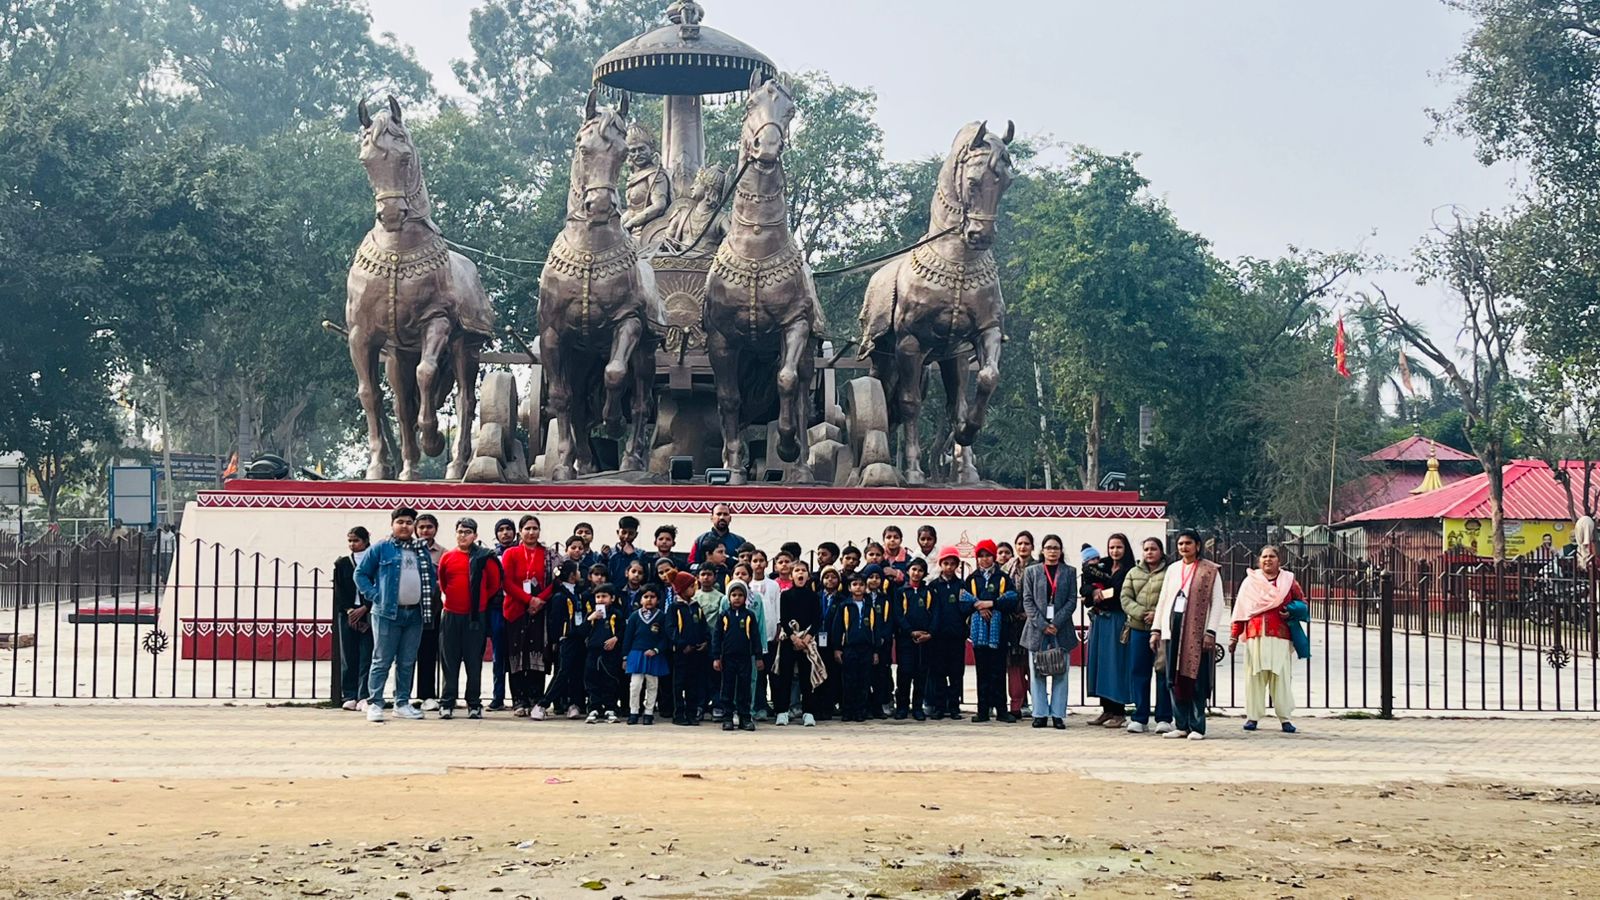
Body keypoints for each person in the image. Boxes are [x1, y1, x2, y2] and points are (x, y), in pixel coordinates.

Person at [355, 507, 436, 723]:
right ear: (392, 525)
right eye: (400, 522)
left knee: (407, 662)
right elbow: (360, 574)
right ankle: (375, 703)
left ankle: (402, 703)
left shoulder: (420, 549)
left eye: (409, 522)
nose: (404, 526)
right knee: (381, 660)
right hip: (387, 613)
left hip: (415, 614)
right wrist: (375, 595)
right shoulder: (381, 548)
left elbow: (431, 576)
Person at [1150, 529, 1225, 741]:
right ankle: (1181, 725)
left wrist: (1210, 631)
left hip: (1196, 634)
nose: (1184, 547)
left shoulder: (1210, 570)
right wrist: (1156, 629)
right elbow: (1163, 599)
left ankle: (1197, 726)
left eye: (1188, 543)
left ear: (1197, 546)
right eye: (1181, 544)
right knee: (1173, 680)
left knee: (1195, 681)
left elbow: (1217, 602)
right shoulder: (1173, 569)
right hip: (1172, 630)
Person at [1230, 545, 1309, 734]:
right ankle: (1253, 717)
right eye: (1264, 556)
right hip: (1255, 635)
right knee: (1254, 677)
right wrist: (1234, 636)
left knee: (1281, 677)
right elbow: (1241, 611)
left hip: (1280, 635)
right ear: (1259, 560)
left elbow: (1303, 604)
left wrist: (1291, 611)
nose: (1268, 559)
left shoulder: (1288, 581)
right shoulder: (1250, 582)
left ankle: (1285, 719)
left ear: (1279, 560)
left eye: (1272, 556)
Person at [436, 518, 502, 720]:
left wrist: (478, 602)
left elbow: (494, 585)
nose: (463, 535)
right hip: (451, 615)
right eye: (460, 532)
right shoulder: (447, 557)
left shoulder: (484, 558)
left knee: (473, 662)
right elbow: (443, 583)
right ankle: (447, 702)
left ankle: (473, 703)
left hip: (475, 617)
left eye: (467, 532)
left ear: (475, 535)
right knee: (449, 661)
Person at [1020, 534, 1078, 729]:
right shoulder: (1031, 571)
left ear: (1061, 551)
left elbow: (1072, 600)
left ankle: (1058, 714)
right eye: (1049, 548)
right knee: (1037, 672)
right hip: (1037, 630)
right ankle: (1040, 713)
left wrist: (1057, 623)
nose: (1052, 551)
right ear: (1042, 550)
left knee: (1061, 672)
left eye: (1056, 548)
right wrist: (1043, 624)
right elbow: (1027, 600)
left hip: (1062, 629)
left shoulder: (1069, 572)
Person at [501, 516, 553, 719]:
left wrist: (539, 600)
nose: (531, 532)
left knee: (537, 655)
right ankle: (518, 700)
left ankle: (536, 699)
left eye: (535, 528)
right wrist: (528, 600)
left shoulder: (548, 554)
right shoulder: (511, 553)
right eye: (527, 528)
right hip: (516, 610)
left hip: (540, 611)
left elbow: (554, 582)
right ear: (520, 532)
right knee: (516, 655)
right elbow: (506, 581)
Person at [1082, 536, 1135, 729]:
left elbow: (1119, 593)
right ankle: (1107, 709)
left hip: (1116, 619)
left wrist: (1100, 595)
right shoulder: (1101, 565)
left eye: (1119, 547)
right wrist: (1092, 592)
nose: (1115, 551)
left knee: (1115, 664)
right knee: (1100, 664)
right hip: (1100, 620)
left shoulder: (1129, 569)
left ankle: (1119, 712)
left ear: (1125, 548)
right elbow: (1084, 585)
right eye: (1111, 547)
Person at [1120, 537, 1172, 734]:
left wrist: (1157, 615)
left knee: (1163, 672)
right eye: (1146, 549)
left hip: (1163, 630)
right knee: (1139, 673)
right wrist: (1142, 613)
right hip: (1138, 629)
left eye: (1153, 549)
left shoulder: (1170, 572)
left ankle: (1164, 717)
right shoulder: (1133, 573)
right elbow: (1125, 598)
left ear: (1161, 551)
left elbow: (1173, 597)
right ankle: (1139, 717)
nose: (1149, 552)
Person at [965, 540, 1018, 723]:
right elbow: (964, 601)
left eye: (988, 555)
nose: (984, 559)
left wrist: (992, 604)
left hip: (999, 631)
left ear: (994, 557)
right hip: (979, 632)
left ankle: (1002, 710)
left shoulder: (1002, 578)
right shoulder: (972, 579)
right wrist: (979, 607)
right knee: (982, 671)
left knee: (998, 671)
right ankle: (983, 710)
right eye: (981, 556)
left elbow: (1012, 599)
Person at [773, 560, 822, 726]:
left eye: (803, 570)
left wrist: (807, 639)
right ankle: (782, 712)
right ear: (791, 575)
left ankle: (808, 712)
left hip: (807, 642)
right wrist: (794, 638)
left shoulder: (813, 596)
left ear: (808, 575)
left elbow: (817, 620)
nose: (800, 573)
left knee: (806, 678)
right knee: (785, 677)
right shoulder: (785, 595)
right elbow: (784, 619)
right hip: (789, 641)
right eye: (797, 571)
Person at [927, 546, 974, 719]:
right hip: (938, 637)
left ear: (957, 565)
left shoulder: (962, 585)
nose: (949, 567)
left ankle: (954, 707)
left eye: (952, 564)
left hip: (956, 636)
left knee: (956, 673)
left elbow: (967, 608)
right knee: (938, 672)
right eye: (945, 563)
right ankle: (939, 707)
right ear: (940, 564)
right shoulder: (933, 586)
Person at [541, 561, 592, 719]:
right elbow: (555, 621)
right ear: (571, 575)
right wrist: (556, 639)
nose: (580, 574)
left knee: (577, 672)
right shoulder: (559, 595)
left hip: (579, 637)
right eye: (577, 571)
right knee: (563, 672)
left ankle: (574, 704)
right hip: (567, 638)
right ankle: (543, 703)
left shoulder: (579, 592)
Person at [712, 580, 764, 731]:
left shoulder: (749, 616)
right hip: (727, 658)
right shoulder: (724, 616)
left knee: (744, 688)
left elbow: (755, 637)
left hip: (745, 659)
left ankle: (745, 717)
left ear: (745, 598)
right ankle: (728, 717)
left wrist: (758, 657)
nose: (737, 598)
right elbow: (717, 637)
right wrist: (716, 657)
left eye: (740, 595)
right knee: (727, 688)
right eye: (734, 595)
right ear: (729, 597)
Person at [829, 570, 880, 723]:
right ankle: (847, 711)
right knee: (848, 681)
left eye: (861, 585)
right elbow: (837, 628)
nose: (858, 587)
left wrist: (876, 650)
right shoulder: (844, 606)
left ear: (865, 587)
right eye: (855, 584)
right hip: (849, 648)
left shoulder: (870, 607)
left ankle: (860, 711)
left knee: (863, 681)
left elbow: (876, 629)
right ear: (849, 588)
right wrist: (837, 648)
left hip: (866, 648)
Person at [333, 527, 373, 711]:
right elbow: (339, 590)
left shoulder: (374, 561)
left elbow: (379, 586)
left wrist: (365, 608)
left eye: (356, 540)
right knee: (348, 655)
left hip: (369, 611)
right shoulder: (342, 563)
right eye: (350, 541)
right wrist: (350, 610)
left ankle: (364, 695)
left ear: (365, 541)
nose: (352, 544)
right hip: (348, 613)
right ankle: (349, 694)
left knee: (367, 655)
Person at [890, 557, 934, 720]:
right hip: (905, 639)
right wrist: (910, 631)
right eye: (914, 569)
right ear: (908, 571)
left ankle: (917, 708)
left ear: (924, 573)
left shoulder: (929, 592)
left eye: (920, 570)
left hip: (925, 640)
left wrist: (929, 633)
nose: (916, 573)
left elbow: (936, 613)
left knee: (921, 674)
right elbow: (898, 615)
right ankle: (902, 707)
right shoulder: (900, 592)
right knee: (905, 673)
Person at [622, 584, 670, 725]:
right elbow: (628, 637)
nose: (649, 600)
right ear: (641, 599)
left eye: (652, 597)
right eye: (646, 597)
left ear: (658, 600)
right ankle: (634, 711)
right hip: (636, 654)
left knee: (652, 685)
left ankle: (649, 712)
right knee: (635, 685)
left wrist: (656, 650)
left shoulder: (661, 616)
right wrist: (625, 657)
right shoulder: (634, 616)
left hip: (654, 655)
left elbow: (664, 638)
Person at [412, 514, 445, 712]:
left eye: (429, 527)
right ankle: (402, 696)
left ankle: (427, 695)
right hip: (409, 608)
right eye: (422, 527)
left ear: (436, 529)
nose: (425, 530)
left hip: (432, 610)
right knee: (405, 655)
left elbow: (447, 580)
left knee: (428, 653)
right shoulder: (408, 550)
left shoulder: (443, 554)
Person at [667, 573, 710, 725]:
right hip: (681, 653)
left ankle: (691, 713)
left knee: (693, 684)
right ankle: (678, 714)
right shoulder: (674, 608)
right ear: (682, 589)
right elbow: (671, 629)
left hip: (696, 652)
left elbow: (703, 626)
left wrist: (705, 641)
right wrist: (682, 644)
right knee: (679, 684)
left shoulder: (696, 606)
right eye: (691, 587)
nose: (694, 589)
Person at [1003, 531, 1037, 718]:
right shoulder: (1006, 568)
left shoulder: (1038, 568)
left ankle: (1038, 704)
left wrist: (1029, 614)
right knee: (1014, 665)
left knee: (1033, 665)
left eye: (1026, 543)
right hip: (1012, 623)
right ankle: (1016, 705)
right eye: (1020, 543)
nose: (1023, 547)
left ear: (1032, 546)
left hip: (1033, 623)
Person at [487, 517, 518, 710]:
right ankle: (498, 697)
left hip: (517, 606)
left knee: (516, 654)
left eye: (508, 529)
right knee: (498, 655)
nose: (505, 533)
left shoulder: (520, 552)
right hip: (497, 607)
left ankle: (518, 698)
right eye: (501, 530)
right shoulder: (491, 555)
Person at [584, 584, 626, 723]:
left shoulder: (616, 613)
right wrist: (590, 619)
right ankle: (594, 708)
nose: (601, 599)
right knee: (592, 680)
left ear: (612, 598)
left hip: (610, 654)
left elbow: (623, 631)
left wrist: (616, 638)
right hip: (593, 653)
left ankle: (610, 708)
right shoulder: (591, 614)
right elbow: (581, 631)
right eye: (598, 597)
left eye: (604, 596)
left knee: (610, 680)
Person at [749, 549, 782, 719]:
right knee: (758, 675)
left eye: (761, 560)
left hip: (771, 636)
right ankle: (759, 705)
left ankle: (777, 706)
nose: (758, 564)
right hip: (754, 639)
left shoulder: (773, 585)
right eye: (755, 561)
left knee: (774, 673)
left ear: (767, 563)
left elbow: (777, 609)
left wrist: (778, 630)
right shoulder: (747, 585)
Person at [606, 515, 647, 588]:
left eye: (631, 533)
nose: (626, 536)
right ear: (618, 532)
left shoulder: (640, 554)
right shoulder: (609, 553)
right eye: (624, 532)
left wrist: (632, 556)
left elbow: (644, 577)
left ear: (636, 535)